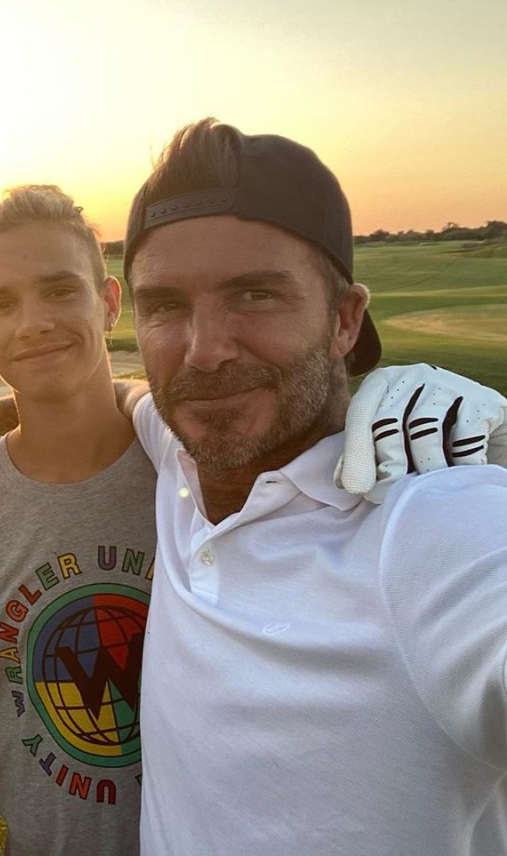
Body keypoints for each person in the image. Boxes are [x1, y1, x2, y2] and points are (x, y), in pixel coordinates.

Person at [122, 118, 507, 854]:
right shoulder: (177, 449)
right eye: (165, 306)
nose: (202, 353)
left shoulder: (430, 524)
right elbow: (121, 393)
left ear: (344, 320)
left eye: (255, 295)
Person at [0, 186, 158, 855]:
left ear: (108, 303)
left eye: (59, 291)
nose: (32, 322)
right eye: (0, 303)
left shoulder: (199, 470)